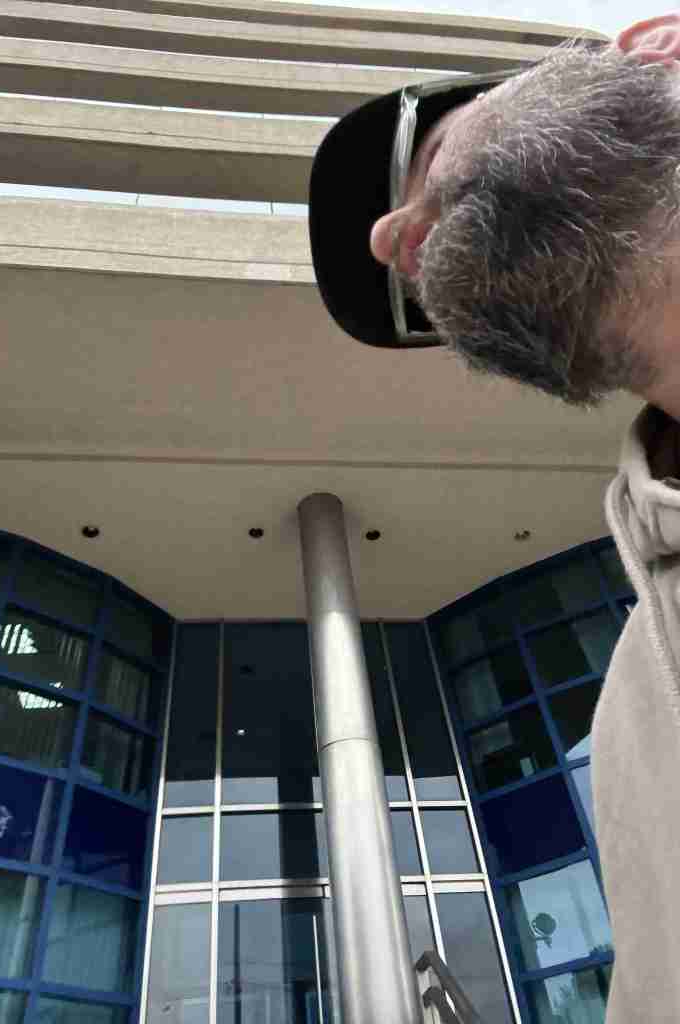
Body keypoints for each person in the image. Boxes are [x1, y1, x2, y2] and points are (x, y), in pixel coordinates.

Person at [309, 14, 680, 1024]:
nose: (391, 239)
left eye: (428, 148)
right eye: (413, 292)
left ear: (658, 45)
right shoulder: (632, 727)